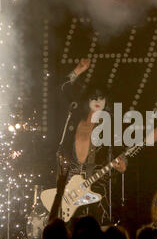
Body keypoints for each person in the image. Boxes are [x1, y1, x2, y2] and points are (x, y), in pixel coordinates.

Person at [52, 58, 126, 225]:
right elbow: (61, 91)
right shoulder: (73, 119)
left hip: (95, 191)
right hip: (68, 189)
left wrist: (123, 164)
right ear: (87, 100)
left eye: (102, 98)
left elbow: (121, 150)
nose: (98, 101)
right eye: (94, 97)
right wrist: (77, 71)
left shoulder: (109, 127)